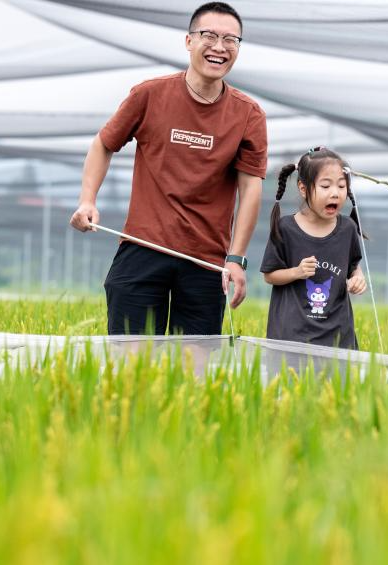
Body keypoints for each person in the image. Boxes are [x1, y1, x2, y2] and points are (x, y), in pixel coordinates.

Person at [69, 2, 267, 335]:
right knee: (132, 359)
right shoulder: (149, 95)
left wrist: (236, 258)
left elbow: (250, 188)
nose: (219, 47)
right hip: (143, 247)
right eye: (209, 36)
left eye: (231, 40)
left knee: (195, 362)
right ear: (189, 41)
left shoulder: (248, 114)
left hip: (206, 260)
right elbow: (104, 144)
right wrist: (87, 200)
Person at [260, 148, 366, 349]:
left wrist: (357, 278)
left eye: (341, 186)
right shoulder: (286, 228)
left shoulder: (348, 229)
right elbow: (269, 275)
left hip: (338, 336)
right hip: (292, 335)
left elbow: (353, 266)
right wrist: (296, 272)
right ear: (303, 188)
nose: (335, 193)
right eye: (325, 186)